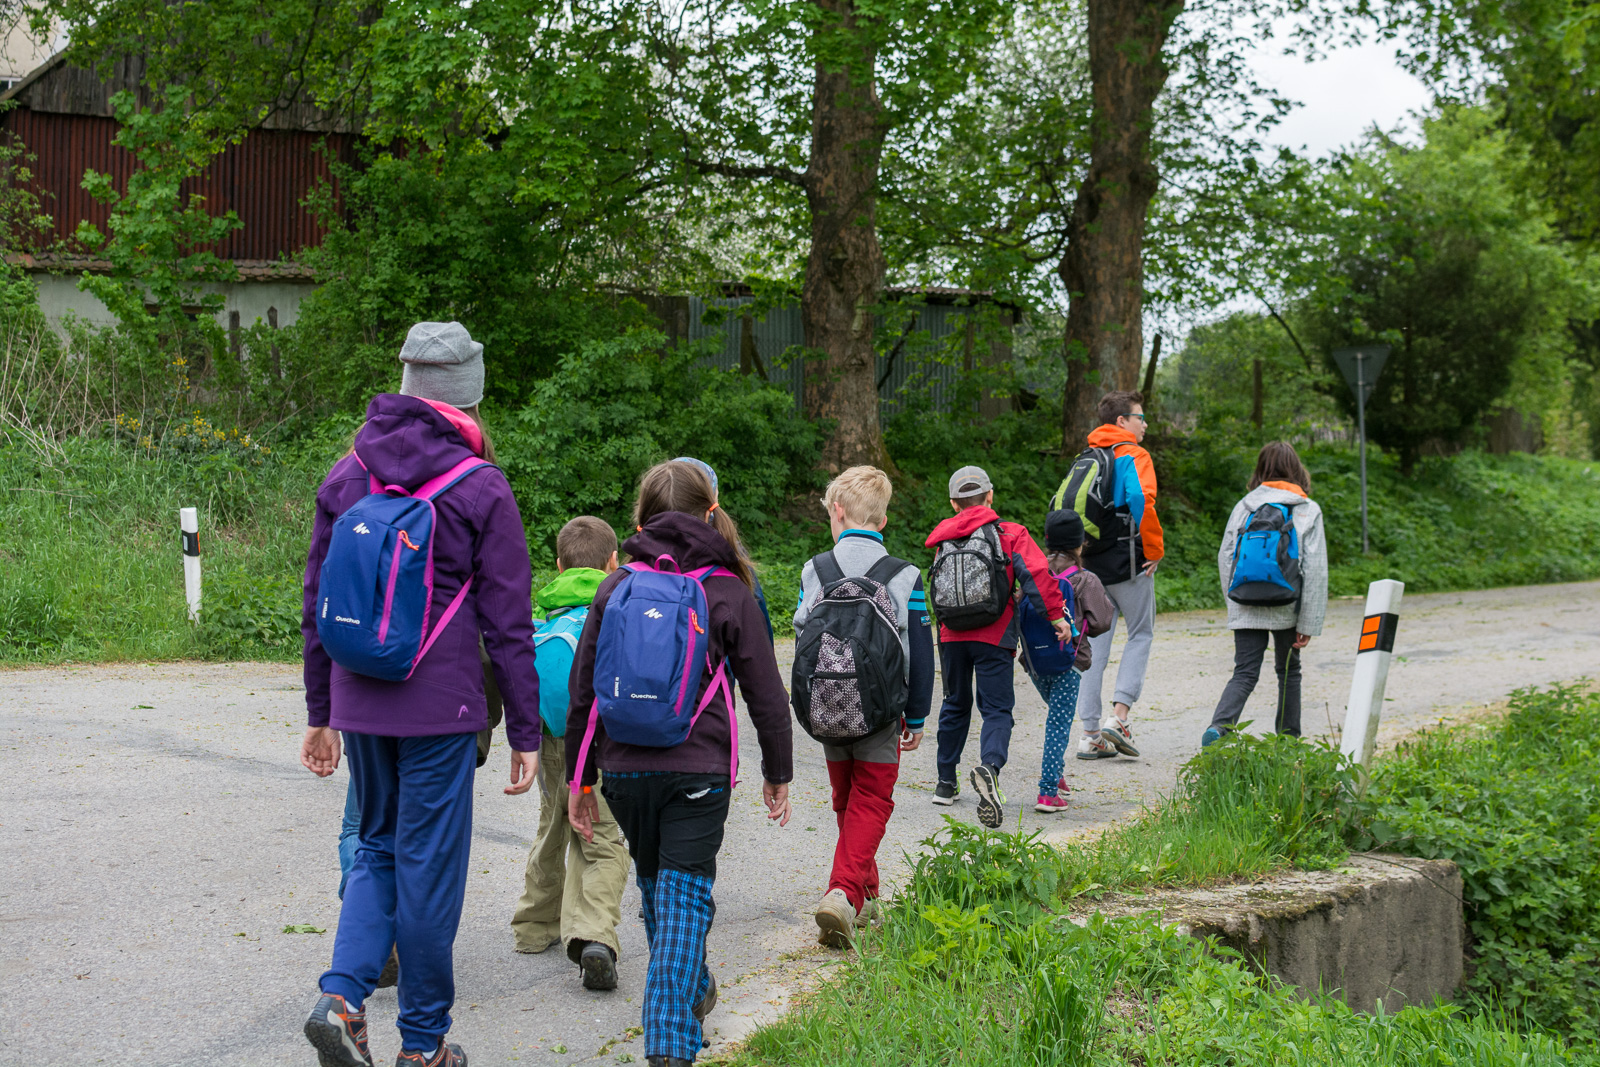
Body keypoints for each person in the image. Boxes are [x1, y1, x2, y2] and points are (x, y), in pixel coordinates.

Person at [299, 321, 541, 1067]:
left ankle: (342, 999)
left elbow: (315, 602)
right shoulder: (480, 486)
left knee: (375, 845)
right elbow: (508, 623)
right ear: (468, 398)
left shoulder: (347, 475)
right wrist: (526, 731)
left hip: (361, 700)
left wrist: (320, 712)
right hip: (442, 708)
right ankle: (424, 1045)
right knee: (428, 869)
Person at [565, 461, 793, 1067]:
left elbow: (584, 692)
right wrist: (778, 771)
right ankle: (670, 1045)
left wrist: (579, 779)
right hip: (700, 770)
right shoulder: (728, 589)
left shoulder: (616, 586)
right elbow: (766, 693)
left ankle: (691, 989)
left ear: (640, 519)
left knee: (659, 893)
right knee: (683, 898)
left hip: (624, 769)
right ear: (711, 513)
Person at [791, 466, 934, 944]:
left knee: (846, 798)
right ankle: (843, 893)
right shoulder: (905, 574)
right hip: (879, 710)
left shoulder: (815, 569)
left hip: (827, 705)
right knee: (872, 798)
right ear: (883, 520)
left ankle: (866, 895)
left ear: (837, 511)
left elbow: (801, 636)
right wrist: (916, 715)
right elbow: (920, 650)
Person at [510, 516, 630, 990]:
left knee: (552, 827)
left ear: (559, 565)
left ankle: (534, 927)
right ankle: (593, 934)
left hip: (549, 740)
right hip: (601, 743)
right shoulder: (619, 609)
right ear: (613, 562)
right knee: (600, 839)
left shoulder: (545, 618)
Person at [925, 465, 1068, 829]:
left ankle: (945, 782)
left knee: (955, 704)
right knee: (997, 710)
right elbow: (1037, 574)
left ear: (954, 502)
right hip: (995, 633)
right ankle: (989, 767)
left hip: (951, 635)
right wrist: (1055, 616)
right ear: (990, 496)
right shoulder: (1009, 533)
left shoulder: (944, 538)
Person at [1203, 442, 1328, 746]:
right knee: (1289, 672)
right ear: (1296, 469)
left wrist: (1235, 601)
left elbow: (1225, 556)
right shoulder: (1306, 509)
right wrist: (1309, 622)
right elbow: (1315, 569)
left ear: (1260, 469)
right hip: (1288, 604)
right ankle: (1288, 742)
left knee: (1245, 672)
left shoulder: (1245, 506)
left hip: (1246, 600)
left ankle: (1219, 729)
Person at [1073, 390, 1164, 762]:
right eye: (1140, 417)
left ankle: (1090, 734)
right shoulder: (1134, 455)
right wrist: (1154, 550)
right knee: (1141, 632)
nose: (1145, 424)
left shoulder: (1088, 456)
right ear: (1122, 421)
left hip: (1090, 564)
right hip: (1129, 563)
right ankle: (1120, 717)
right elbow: (1143, 501)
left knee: (1095, 644)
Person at [1024, 509, 1113, 812]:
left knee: (1057, 716)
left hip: (1034, 663)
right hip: (1069, 662)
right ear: (1080, 543)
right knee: (1058, 724)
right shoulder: (1085, 579)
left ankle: (1057, 774)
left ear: (1047, 541)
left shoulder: (1033, 573)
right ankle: (1048, 792)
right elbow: (1101, 622)